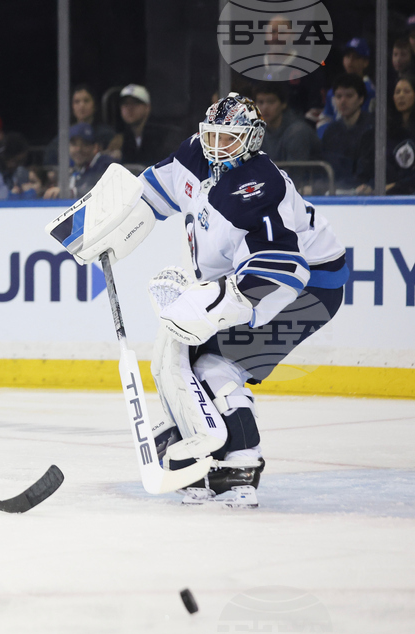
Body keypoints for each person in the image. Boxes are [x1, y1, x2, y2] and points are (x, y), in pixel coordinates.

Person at [55, 93, 348, 507]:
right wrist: (98, 227)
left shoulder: (259, 187)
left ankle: (239, 466)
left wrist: (216, 303)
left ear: (252, 140)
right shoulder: (196, 154)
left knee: (215, 365)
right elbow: (148, 194)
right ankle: (202, 449)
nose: (216, 147)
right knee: (186, 358)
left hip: (308, 289)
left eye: (228, 139)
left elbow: (282, 272)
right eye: (211, 135)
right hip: (252, 279)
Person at [357, 75, 415, 195]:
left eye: (406, 91)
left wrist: (397, 186)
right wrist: (370, 186)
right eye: (397, 92)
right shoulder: (385, 132)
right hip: (386, 195)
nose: (401, 96)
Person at [43, 84, 123, 166]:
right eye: (77, 102)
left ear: (94, 105)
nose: (81, 105)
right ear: (72, 107)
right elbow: (49, 159)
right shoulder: (65, 134)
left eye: (86, 101)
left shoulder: (106, 133)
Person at [312, 38, 375, 137]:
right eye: (347, 56)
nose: (350, 61)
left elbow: (366, 123)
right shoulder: (334, 90)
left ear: (365, 62)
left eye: (355, 57)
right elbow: (324, 120)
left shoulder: (369, 91)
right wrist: (328, 137)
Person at [321, 74, 373, 191]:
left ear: (361, 99)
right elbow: (325, 171)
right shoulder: (331, 131)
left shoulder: (373, 128)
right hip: (335, 192)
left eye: (349, 96)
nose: (343, 101)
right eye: (338, 96)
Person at [44, 122, 118, 199]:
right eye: (74, 144)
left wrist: (70, 192)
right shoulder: (78, 168)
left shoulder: (106, 164)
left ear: (95, 147)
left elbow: (102, 191)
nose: (78, 149)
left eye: (85, 144)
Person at [254, 82, 321, 162]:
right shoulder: (258, 131)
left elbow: (295, 169)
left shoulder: (298, 131)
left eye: (271, 102)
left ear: (283, 104)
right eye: (260, 102)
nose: (265, 108)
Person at [117, 84, 175, 166]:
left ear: (147, 107)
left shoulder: (164, 135)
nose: (129, 108)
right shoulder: (126, 137)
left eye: (135, 103)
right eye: (125, 104)